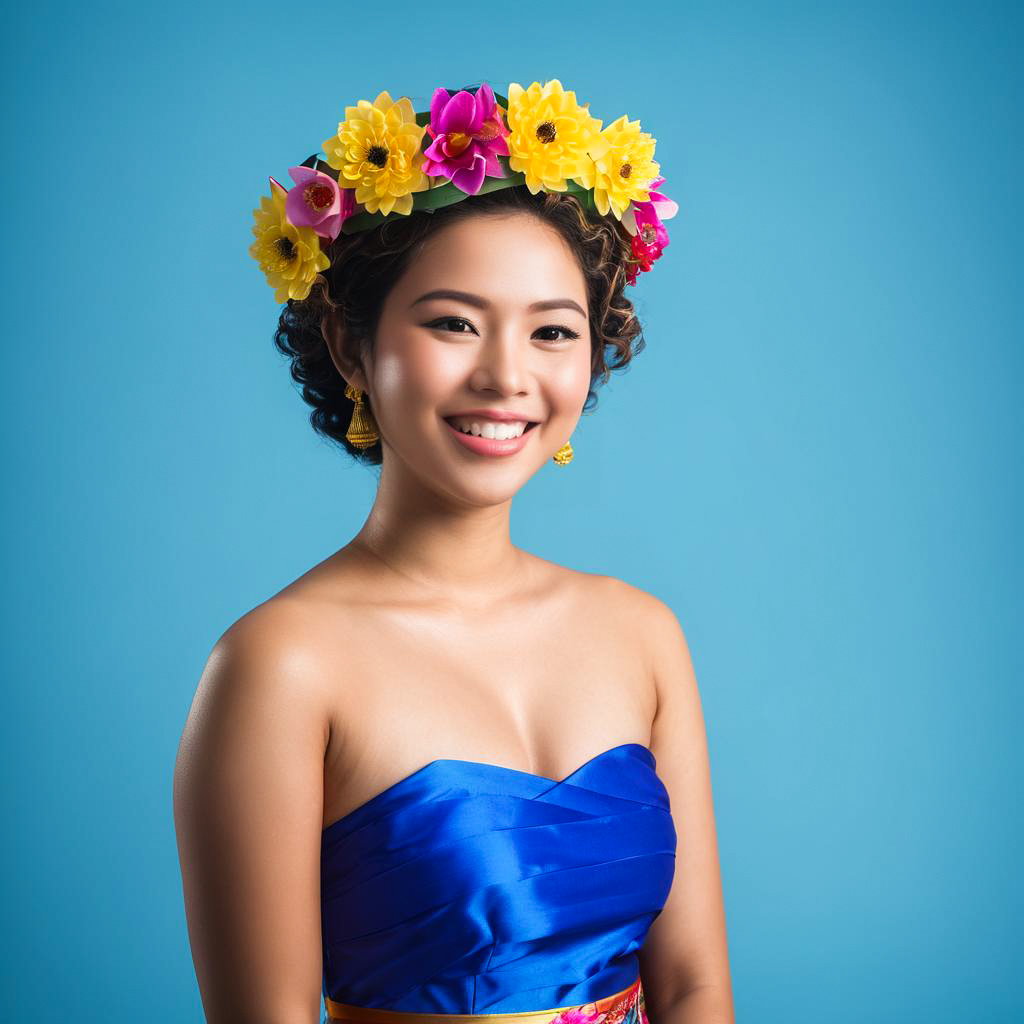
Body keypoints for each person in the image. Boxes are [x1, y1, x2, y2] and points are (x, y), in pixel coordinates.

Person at [174, 79, 734, 1024]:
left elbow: (694, 986)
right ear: (352, 347)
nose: (506, 376)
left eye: (552, 331)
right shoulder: (276, 667)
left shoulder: (643, 635)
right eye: (453, 323)